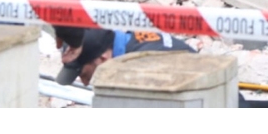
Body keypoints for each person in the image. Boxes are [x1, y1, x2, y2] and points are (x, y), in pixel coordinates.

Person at [56, 28, 195, 86]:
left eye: (84, 75)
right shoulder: (131, 39)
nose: (86, 83)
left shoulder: (139, 68)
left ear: (103, 58)